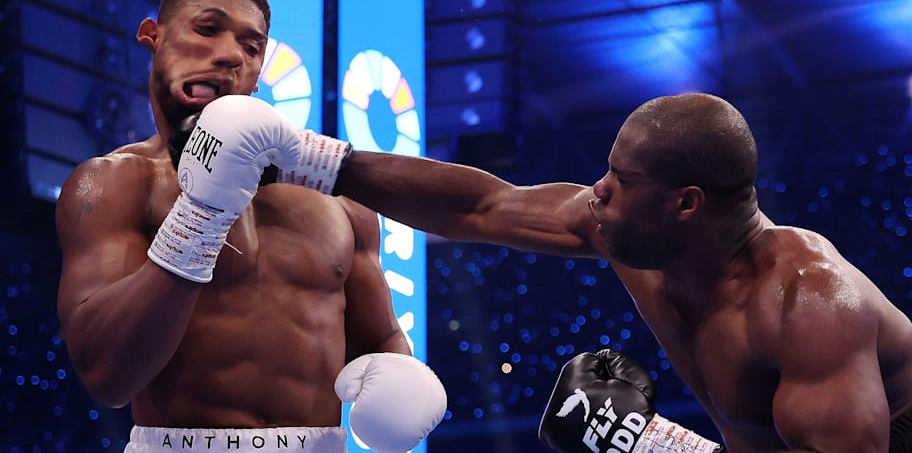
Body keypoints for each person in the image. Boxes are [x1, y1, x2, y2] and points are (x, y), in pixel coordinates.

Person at [320, 92, 912, 453]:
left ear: (685, 203)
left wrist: (655, 445)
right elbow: (481, 208)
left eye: (622, 180)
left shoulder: (808, 300)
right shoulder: (624, 232)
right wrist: (318, 163)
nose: (597, 191)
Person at [55, 0, 445, 453]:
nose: (229, 54)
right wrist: (200, 216)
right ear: (153, 36)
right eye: (207, 28)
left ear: (259, 74)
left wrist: (401, 376)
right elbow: (106, 375)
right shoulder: (114, 183)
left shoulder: (338, 200)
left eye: (252, 46)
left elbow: (380, 337)